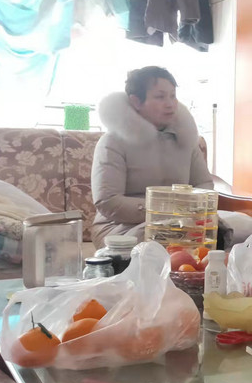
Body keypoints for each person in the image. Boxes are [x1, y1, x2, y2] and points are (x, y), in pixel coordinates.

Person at [91, 66, 213, 249]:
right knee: (160, 239)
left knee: (238, 227)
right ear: (136, 102)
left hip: (182, 221)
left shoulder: (185, 138)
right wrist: (167, 212)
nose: (170, 104)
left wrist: (187, 215)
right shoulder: (112, 142)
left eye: (173, 96)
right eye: (160, 97)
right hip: (121, 226)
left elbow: (204, 185)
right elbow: (108, 201)